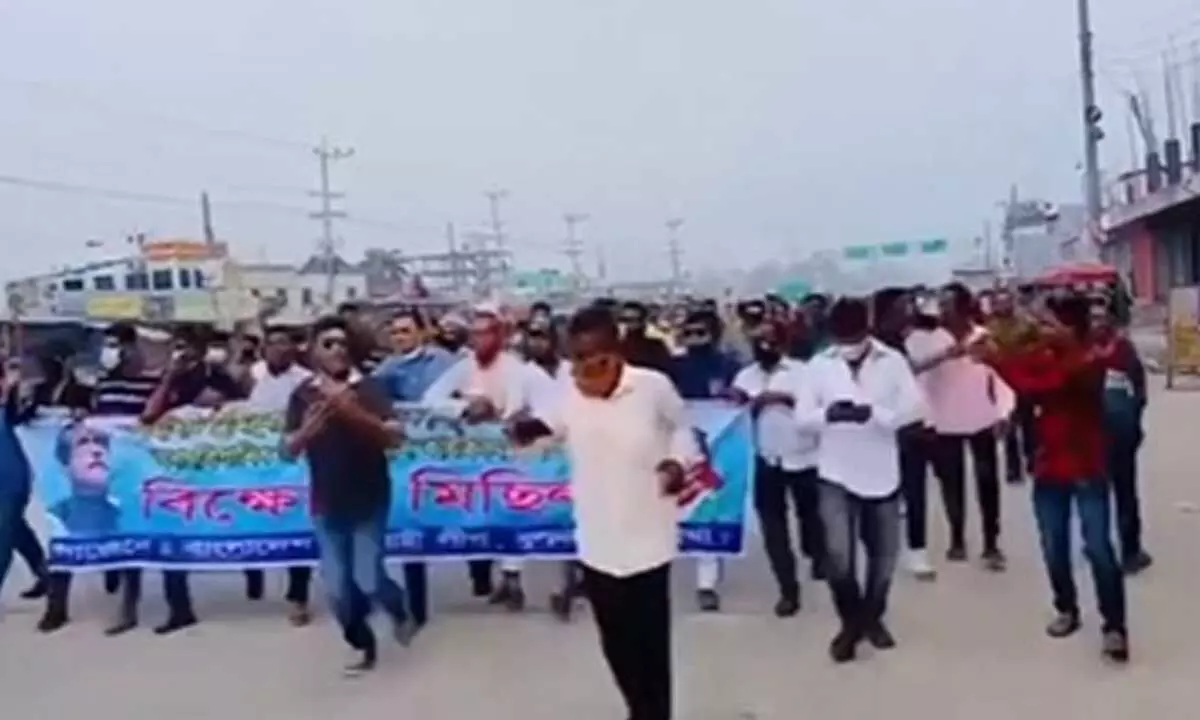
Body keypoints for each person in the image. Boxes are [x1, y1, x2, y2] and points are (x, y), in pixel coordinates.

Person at [509, 305, 698, 720]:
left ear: (616, 348)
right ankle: (638, 708)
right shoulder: (569, 396)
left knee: (651, 643)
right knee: (616, 643)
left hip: (649, 535)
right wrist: (522, 429)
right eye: (578, 356)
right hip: (598, 541)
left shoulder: (652, 388)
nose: (587, 365)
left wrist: (676, 463)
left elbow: (684, 430)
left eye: (596, 354)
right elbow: (543, 430)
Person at [977, 293, 1130, 663]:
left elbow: (1044, 384)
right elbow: (1021, 376)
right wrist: (994, 357)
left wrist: (997, 360)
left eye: (1049, 323)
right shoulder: (1045, 355)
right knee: (1053, 545)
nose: (1041, 329)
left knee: (1099, 548)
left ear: (1069, 327)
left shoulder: (1091, 359)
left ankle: (1114, 627)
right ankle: (1066, 608)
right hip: (1049, 467)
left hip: (1087, 466)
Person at [794, 297, 924, 663]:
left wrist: (875, 414)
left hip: (882, 470)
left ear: (867, 329)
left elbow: (914, 408)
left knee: (883, 557)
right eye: (842, 337)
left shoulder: (892, 361)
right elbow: (802, 419)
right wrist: (829, 415)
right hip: (834, 471)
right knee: (839, 557)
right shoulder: (820, 365)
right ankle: (850, 624)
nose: (848, 344)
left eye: (853, 337)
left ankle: (872, 617)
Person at [283, 315, 413, 674]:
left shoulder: (369, 389)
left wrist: (352, 412)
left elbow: (394, 439)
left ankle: (398, 607)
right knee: (338, 590)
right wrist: (307, 431)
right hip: (326, 503)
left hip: (370, 498)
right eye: (328, 344)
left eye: (342, 343)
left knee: (369, 578)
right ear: (314, 352)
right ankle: (362, 644)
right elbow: (287, 450)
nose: (337, 350)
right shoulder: (303, 394)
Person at [39, 322, 160, 634]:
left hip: (129, 470)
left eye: (116, 345)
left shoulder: (152, 382)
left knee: (129, 533)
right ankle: (56, 607)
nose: (110, 352)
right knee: (67, 532)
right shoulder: (102, 382)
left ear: (131, 347)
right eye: (108, 345)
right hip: (97, 467)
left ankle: (128, 607)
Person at [423, 305, 537, 609]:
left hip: (508, 451)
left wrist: (496, 413)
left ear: (499, 337)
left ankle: (512, 579)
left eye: (486, 334)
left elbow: (519, 409)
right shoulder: (464, 367)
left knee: (510, 513)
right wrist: (463, 408)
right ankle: (485, 575)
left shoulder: (516, 368)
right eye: (474, 335)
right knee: (478, 513)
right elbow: (431, 398)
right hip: (473, 454)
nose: (479, 341)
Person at [140, 325, 246, 635]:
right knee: (171, 536)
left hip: (214, 470)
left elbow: (243, 412)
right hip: (178, 473)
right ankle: (180, 608)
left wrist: (217, 404)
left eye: (187, 346)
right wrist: (169, 379)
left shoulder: (219, 376)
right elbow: (149, 416)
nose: (182, 352)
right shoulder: (169, 379)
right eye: (178, 346)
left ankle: (256, 576)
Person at [729, 320, 824, 616]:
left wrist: (783, 398)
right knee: (773, 528)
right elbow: (732, 413)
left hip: (804, 457)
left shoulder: (802, 373)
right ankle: (788, 589)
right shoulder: (745, 376)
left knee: (811, 517)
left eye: (769, 341)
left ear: (782, 343)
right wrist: (743, 403)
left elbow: (817, 408)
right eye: (758, 342)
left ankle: (817, 554)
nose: (763, 347)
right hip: (766, 459)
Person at [372, 309, 456, 627]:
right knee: (412, 524)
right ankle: (416, 607)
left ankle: (484, 571)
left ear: (422, 333)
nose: (400, 337)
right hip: (408, 457)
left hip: (444, 453)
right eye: (395, 332)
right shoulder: (387, 368)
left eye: (406, 331)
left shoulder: (444, 362)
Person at [920, 283, 1009, 571]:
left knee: (987, 482)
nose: (943, 309)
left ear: (962, 306)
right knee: (952, 482)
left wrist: (1003, 413)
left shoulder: (983, 336)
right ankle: (957, 537)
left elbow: (1000, 378)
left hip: (981, 418)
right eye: (941, 304)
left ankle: (991, 542)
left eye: (949, 304)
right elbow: (916, 370)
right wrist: (947, 354)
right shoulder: (932, 339)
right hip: (945, 420)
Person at [240, 326, 317, 625]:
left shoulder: (305, 380)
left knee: (295, 526)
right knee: (250, 519)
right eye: (272, 344)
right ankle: (253, 574)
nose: (278, 349)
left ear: (294, 349)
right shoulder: (252, 375)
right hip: (255, 463)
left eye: (284, 343)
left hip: (294, 463)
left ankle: (298, 597)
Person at [670, 310, 740, 612]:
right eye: (689, 333)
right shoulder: (674, 367)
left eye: (701, 332)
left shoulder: (729, 366)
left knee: (709, 509)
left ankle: (706, 584)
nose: (694, 339)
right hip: (677, 445)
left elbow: (741, 401)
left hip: (716, 446)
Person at [873, 288, 937, 581]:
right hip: (882, 426)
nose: (909, 312)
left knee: (915, 489)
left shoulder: (901, 340)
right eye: (903, 307)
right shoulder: (874, 348)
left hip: (910, 425)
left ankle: (917, 549)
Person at [1091, 300, 1152, 575]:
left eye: (1101, 317)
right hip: (1098, 434)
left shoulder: (1119, 350)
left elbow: (1139, 391)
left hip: (1115, 432)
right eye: (1093, 318)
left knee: (1117, 492)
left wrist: (1134, 423)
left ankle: (1124, 550)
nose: (1097, 323)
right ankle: (1114, 549)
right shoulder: (1091, 351)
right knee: (1108, 492)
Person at [0, 357, 47, 608]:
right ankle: (45, 572)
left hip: (10, 480)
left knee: (3, 537)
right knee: (16, 530)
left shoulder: (9, 408)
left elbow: (23, 411)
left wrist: (16, 389)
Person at [987, 286, 1039, 484]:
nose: (1003, 305)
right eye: (999, 302)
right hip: (1002, 383)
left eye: (1006, 301)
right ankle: (1013, 468)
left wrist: (1028, 352)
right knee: (1009, 428)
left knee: (1029, 424)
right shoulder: (990, 328)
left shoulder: (1026, 323)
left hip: (1025, 380)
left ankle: (1033, 459)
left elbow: (1039, 342)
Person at [618, 301, 674, 376]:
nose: (628, 324)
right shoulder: (613, 345)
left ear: (643, 321)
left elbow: (666, 372)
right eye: (624, 319)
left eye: (634, 320)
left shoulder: (654, 346)